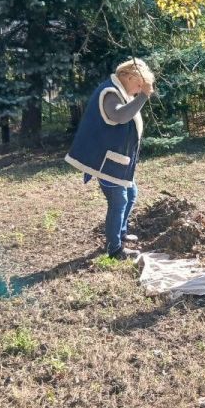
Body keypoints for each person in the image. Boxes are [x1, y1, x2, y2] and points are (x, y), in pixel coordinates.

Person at [65, 58, 155, 259]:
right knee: (119, 200)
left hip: (117, 160)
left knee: (131, 194)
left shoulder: (120, 91)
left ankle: (119, 235)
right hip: (106, 161)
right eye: (138, 85)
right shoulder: (110, 92)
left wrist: (139, 95)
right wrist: (143, 97)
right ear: (129, 77)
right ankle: (114, 249)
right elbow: (118, 116)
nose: (138, 90)